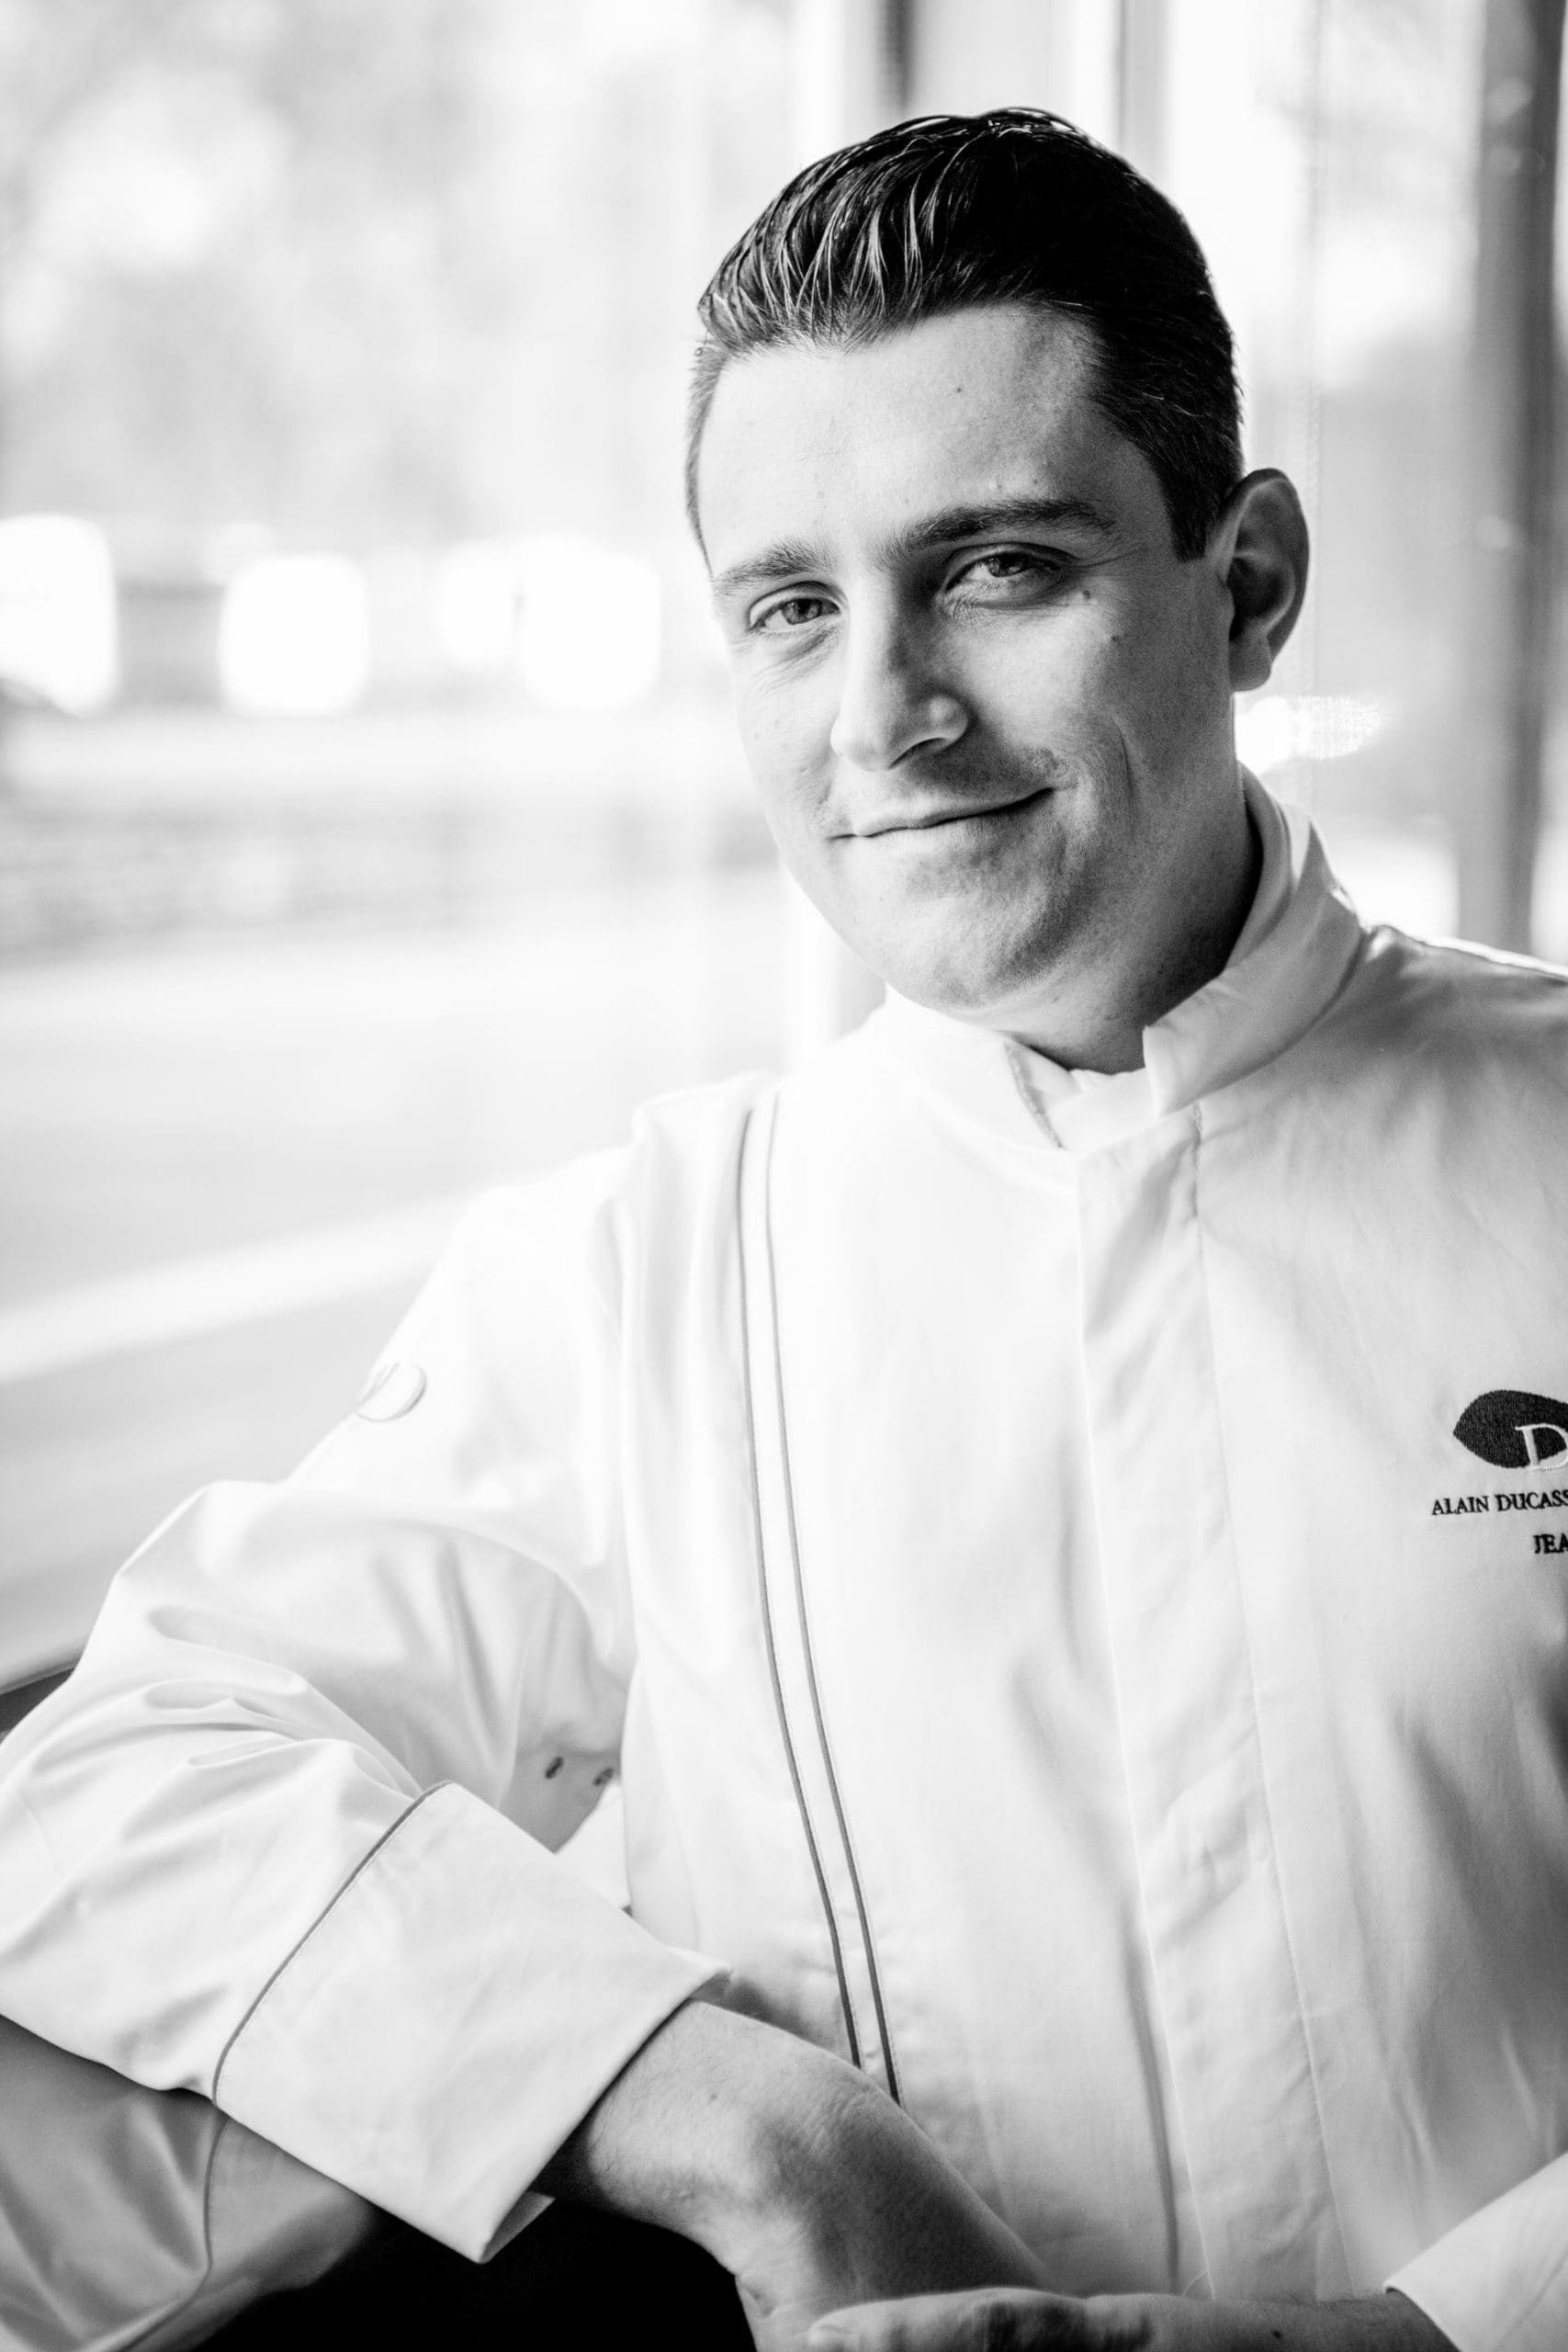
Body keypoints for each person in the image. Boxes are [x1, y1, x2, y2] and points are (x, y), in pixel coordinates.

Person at [0, 107, 1564, 2352]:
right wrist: (738, 2117)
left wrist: (1433, 2332)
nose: (881, 716)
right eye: (793, 608)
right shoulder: (641, 1272)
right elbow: (114, 1780)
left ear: (1244, 583)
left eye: (996, 567)